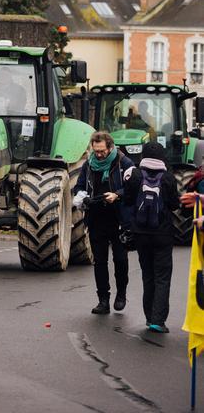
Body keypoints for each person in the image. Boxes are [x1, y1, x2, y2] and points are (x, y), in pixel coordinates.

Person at [73, 131, 134, 315]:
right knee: (100, 262)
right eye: (96, 151)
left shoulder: (124, 163)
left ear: (110, 147)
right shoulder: (89, 165)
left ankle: (121, 294)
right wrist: (80, 196)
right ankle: (103, 300)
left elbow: (134, 187)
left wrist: (117, 195)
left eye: (102, 151)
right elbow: (80, 185)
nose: (99, 155)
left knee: (120, 260)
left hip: (118, 219)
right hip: (96, 218)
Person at [123, 141, 180, 334]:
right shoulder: (168, 178)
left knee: (148, 275)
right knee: (162, 277)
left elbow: (128, 201)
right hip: (162, 234)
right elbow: (174, 205)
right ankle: (158, 320)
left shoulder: (136, 175)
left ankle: (149, 317)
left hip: (140, 234)